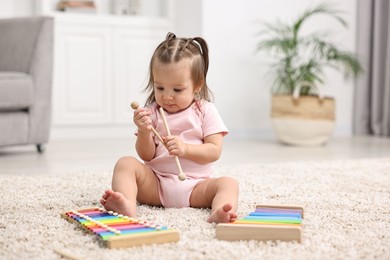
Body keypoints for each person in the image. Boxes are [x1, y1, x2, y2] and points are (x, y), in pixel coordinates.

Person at [100, 32, 239, 223]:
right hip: (156, 185)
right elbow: (146, 156)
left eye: (177, 90)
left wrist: (185, 149)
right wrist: (144, 132)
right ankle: (126, 205)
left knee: (228, 184)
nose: (167, 96)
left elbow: (214, 151)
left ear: (197, 85)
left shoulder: (205, 110)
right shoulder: (153, 113)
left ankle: (219, 212)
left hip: (195, 187)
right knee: (125, 163)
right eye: (159, 88)